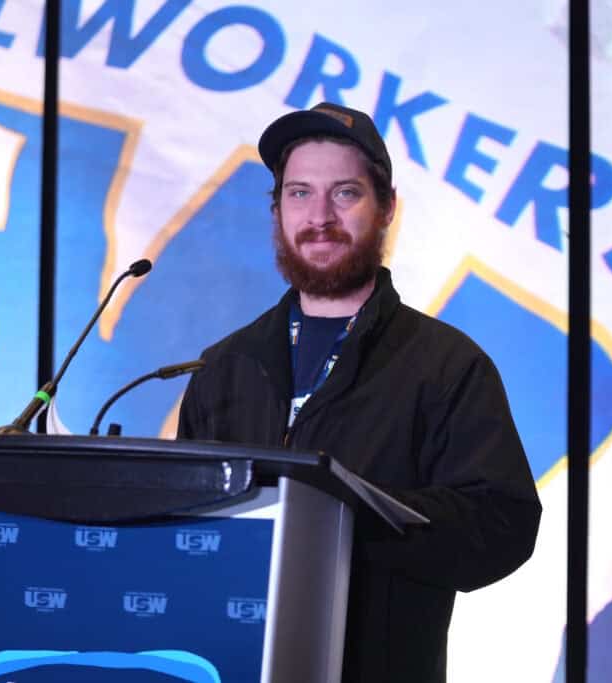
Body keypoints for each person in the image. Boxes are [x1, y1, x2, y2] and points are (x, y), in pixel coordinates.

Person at [176, 102, 542, 682]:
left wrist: (347, 516)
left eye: (345, 193)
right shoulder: (224, 365)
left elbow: (502, 525)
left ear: (387, 208)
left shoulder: (446, 364)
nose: (319, 215)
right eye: (299, 193)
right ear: (276, 210)